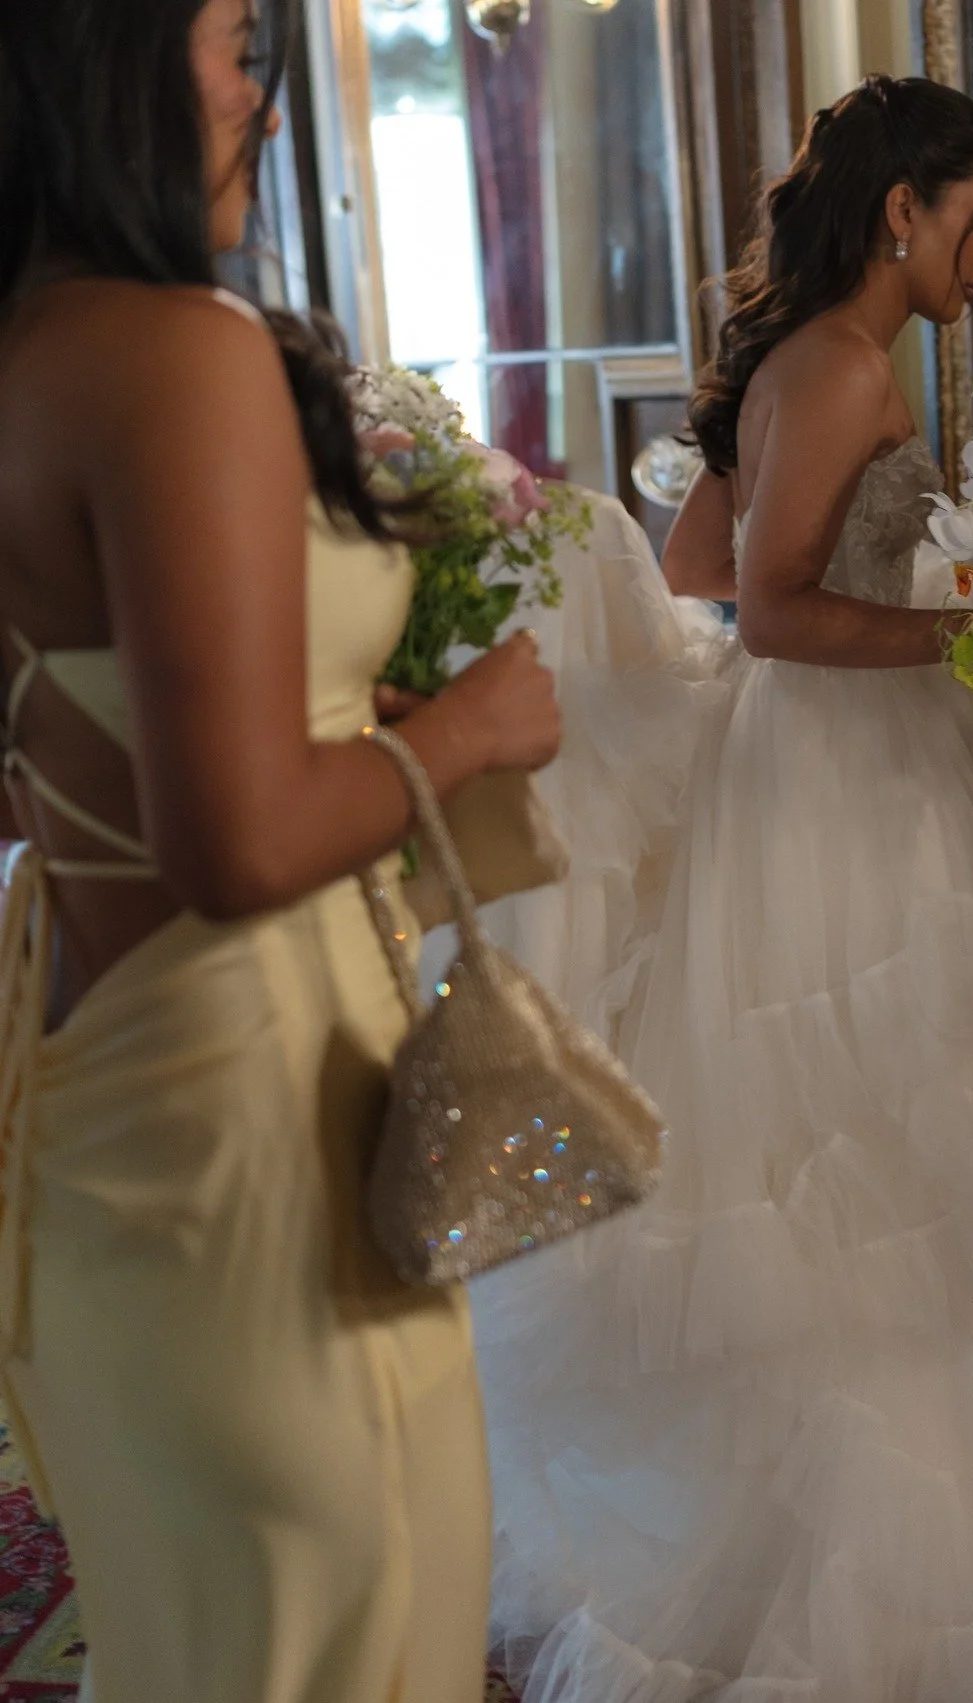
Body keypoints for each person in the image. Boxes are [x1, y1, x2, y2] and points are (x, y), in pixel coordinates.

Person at [469, 77, 973, 1703]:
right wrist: (969, 630)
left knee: (886, 1175)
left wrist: (946, 575)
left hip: (817, 778)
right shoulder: (842, 367)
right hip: (842, 804)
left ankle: (826, 1548)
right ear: (898, 209)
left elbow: (700, 563)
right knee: (927, 1169)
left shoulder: (805, 364)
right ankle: (966, 1580)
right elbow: (769, 613)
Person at [0, 3, 560, 1700]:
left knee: (210, 1635)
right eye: (237, 44)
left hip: (107, 1092)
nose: (261, 96)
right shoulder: (181, 350)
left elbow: (72, 723)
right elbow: (236, 837)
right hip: (262, 1115)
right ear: (108, 62)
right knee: (357, 1624)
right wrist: (471, 727)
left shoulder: (28, 344)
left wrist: (321, 696)